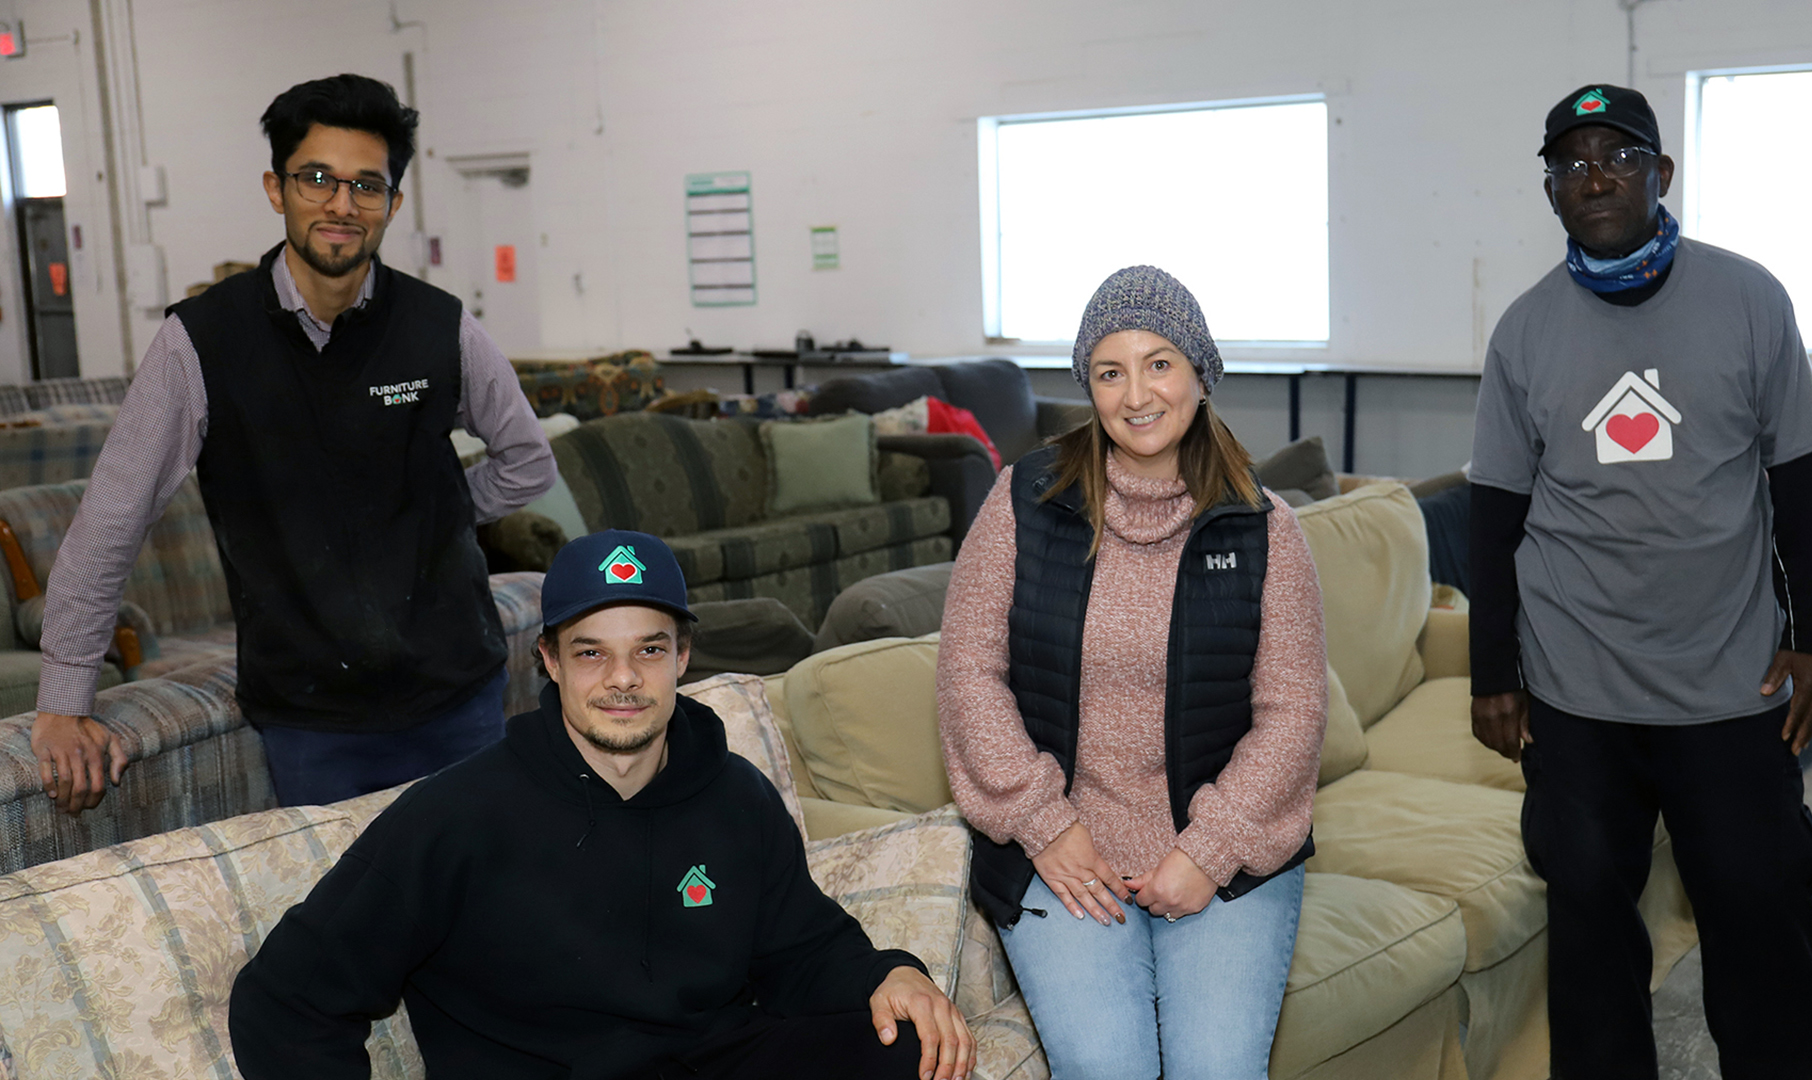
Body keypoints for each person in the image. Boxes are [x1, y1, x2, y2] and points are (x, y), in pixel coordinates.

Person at [229, 529, 974, 1080]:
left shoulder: (735, 796)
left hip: (710, 1061)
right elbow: (287, 998)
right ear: (550, 661)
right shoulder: (455, 816)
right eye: (592, 652)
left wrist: (890, 974)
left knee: (912, 1050)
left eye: (649, 649)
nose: (624, 679)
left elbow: (802, 950)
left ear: (684, 656)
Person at [30, 73, 556, 811]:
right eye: (317, 179)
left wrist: (440, 512)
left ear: (393, 204)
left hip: (457, 695)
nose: (342, 205)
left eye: (366, 186)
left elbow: (528, 460)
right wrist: (64, 694)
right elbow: (114, 514)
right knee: (352, 913)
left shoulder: (441, 327)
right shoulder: (200, 343)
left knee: (480, 902)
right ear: (277, 189)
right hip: (312, 722)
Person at [1470, 84, 1812, 1079]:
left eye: (1617, 156)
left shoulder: (1749, 299)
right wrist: (1491, 671)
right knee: (1589, 931)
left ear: (1660, 173)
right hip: (1576, 691)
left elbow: (1800, 481)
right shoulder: (1523, 333)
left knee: (1762, 914)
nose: (1593, 175)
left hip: (1731, 684)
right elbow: (1494, 515)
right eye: (1570, 163)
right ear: (1550, 191)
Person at [938, 266, 1326, 1080]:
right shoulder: (1024, 500)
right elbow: (969, 674)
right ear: (1089, 386)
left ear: (1199, 374)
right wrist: (1047, 823)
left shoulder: (1265, 527)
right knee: (1108, 1066)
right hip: (1064, 850)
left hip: (1219, 850)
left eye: (1159, 363)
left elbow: (1292, 713)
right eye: (1110, 371)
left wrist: (1209, 850)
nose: (1136, 393)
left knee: (1217, 1070)